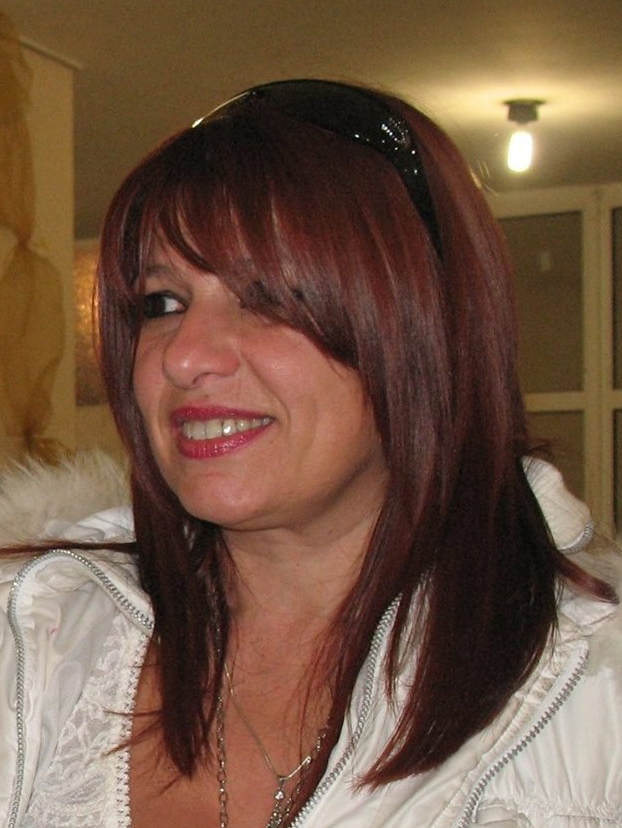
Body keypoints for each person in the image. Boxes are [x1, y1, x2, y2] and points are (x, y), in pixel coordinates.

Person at [1, 79, 621, 828]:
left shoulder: (593, 698)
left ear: (423, 332)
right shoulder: (33, 639)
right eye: (162, 303)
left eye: (270, 296)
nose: (184, 356)